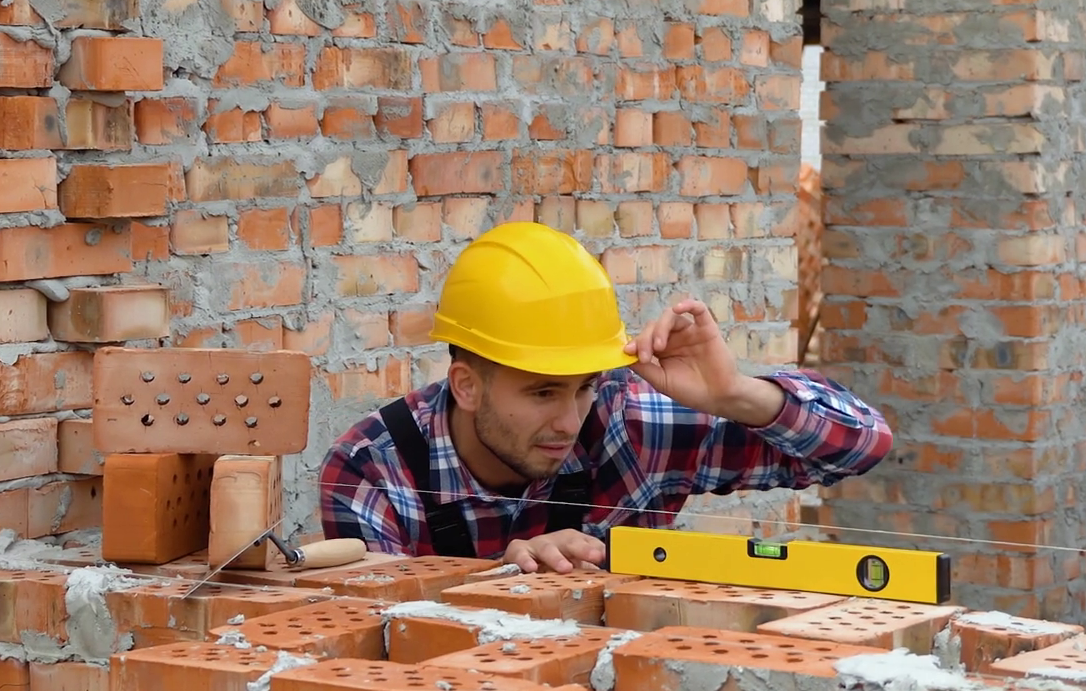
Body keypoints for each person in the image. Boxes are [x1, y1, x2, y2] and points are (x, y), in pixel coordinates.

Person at [316, 220, 895, 574]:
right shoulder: (374, 468)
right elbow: (369, 648)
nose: (569, 421)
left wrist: (735, 394)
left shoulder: (628, 423)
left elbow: (863, 445)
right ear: (467, 385)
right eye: (544, 391)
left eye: (585, 386)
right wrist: (498, 577)